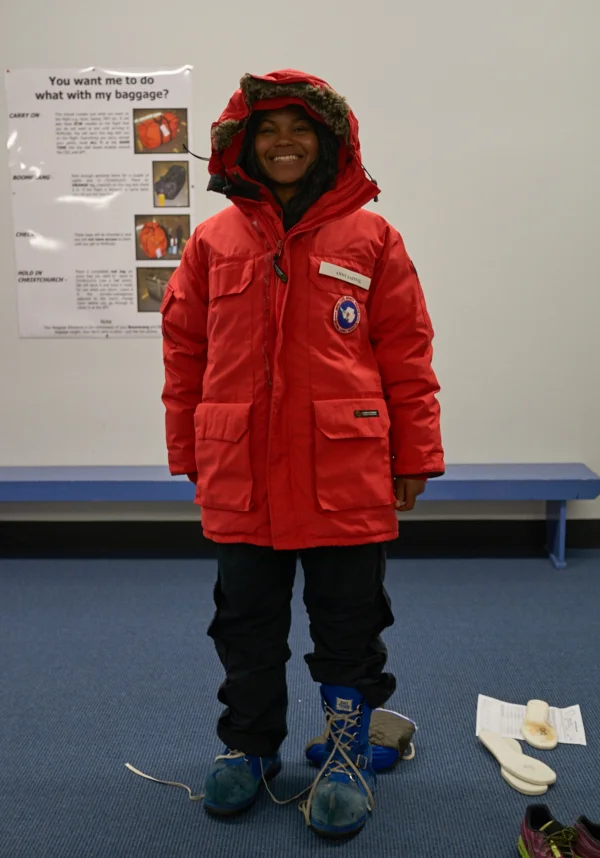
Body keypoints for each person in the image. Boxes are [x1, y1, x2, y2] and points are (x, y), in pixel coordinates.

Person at [161, 69, 444, 839]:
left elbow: (407, 353)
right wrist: (188, 446)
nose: (283, 143)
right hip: (241, 473)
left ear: (329, 143)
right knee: (244, 622)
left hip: (344, 472)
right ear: (243, 145)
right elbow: (184, 353)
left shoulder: (373, 238)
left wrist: (415, 454)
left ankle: (347, 755)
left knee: (349, 624)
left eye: (300, 130)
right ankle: (249, 746)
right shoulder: (214, 243)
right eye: (267, 130)